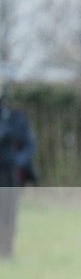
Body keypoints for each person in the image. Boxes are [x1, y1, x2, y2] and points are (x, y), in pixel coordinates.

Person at [0, 80, 36, 259]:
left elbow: (28, 145)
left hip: (8, 171)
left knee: (8, 212)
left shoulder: (15, 116)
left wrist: (18, 162)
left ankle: (6, 251)